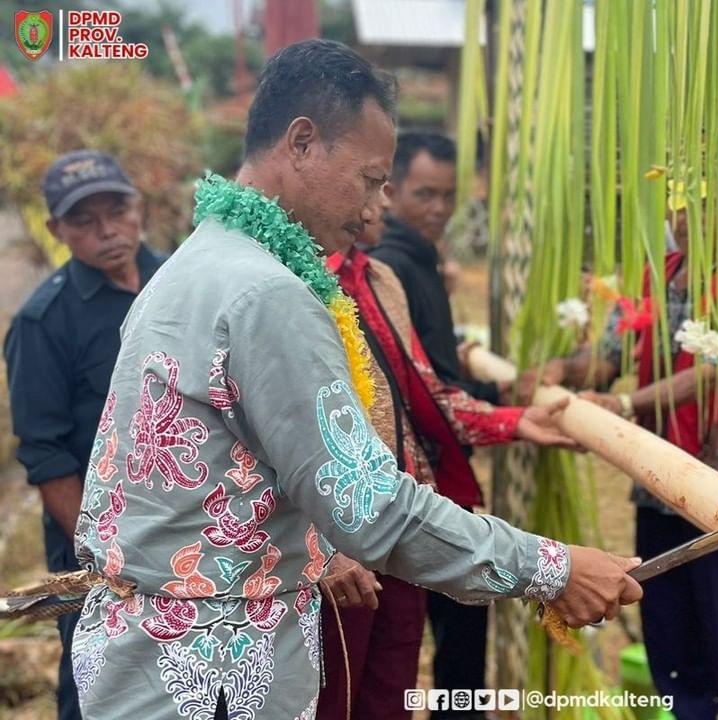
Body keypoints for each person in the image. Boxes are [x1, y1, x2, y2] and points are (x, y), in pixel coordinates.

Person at [68, 39, 642, 720]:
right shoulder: (265, 293)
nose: (377, 203)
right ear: (302, 143)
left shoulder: (195, 265)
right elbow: (370, 505)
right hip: (213, 670)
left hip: (150, 659)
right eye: (371, 178)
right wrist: (552, 568)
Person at [316, 197, 579, 720]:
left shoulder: (382, 278)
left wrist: (512, 420)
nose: (385, 200)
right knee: (333, 699)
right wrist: (322, 547)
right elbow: (280, 433)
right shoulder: (291, 284)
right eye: (372, 180)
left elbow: (425, 390)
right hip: (338, 538)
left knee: (390, 692)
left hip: (403, 516)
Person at [538, 185, 718, 720]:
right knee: (670, 635)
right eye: (671, 203)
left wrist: (627, 400)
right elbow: (610, 356)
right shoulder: (656, 274)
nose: (677, 216)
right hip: (657, 488)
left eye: (693, 203)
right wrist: (566, 371)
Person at [4, 150, 165, 720]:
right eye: (83, 220)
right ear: (55, 230)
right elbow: (46, 456)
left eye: (116, 210)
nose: (107, 231)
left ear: (137, 206)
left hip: (194, 532)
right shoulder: (44, 322)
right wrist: (107, 560)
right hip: (102, 548)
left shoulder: (180, 283)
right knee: (100, 684)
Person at [366, 132, 503, 713]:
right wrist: (503, 406)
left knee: (443, 628)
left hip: (433, 472)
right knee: (446, 628)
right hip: (418, 483)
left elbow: (432, 368)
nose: (439, 209)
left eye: (449, 196)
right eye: (425, 193)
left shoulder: (415, 262)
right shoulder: (388, 266)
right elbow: (420, 388)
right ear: (390, 192)